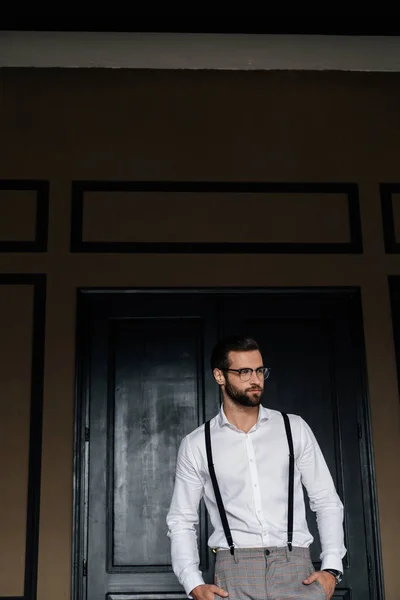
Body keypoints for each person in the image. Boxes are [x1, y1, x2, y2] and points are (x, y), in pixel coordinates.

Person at [166, 336, 346, 600]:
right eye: (244, 372)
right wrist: (193, 583)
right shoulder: (196, 444)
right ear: (219, 376)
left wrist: (331, 568)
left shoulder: (293, 428)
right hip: (233, 573)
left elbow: (326, 501)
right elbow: (181, 519)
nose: (256, 379)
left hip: (297, 571)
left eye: (260, 370)